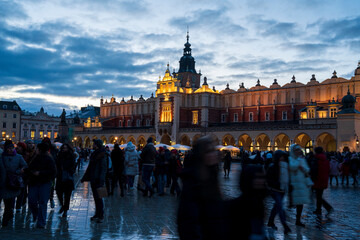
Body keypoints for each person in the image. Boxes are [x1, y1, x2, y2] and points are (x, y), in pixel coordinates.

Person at [178, 136, 226, 240]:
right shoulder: (192, 181)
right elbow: (188, 221)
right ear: (201, 155)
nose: (214, 154)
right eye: (209, 151)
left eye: (214, 150)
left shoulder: (212, 176)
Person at [227, 164, 267, 240]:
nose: (261, 181)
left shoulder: (259, 202)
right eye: (257, 177)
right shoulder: (237, 205)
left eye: (262, 177)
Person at [27, 142, 56, 228]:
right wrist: (26, 171)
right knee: (32, 201)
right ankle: (36, 215)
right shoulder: (34, 158)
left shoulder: (49, 159)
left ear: (40, 150)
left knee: (43, 202)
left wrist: (40, 173)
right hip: (34, 182)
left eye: (37, 148)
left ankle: (41, 222)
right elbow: (30, 168)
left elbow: (53, 172)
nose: (35, 150)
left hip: (45, 183)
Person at [1, 140, 27, 227]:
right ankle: (8, 215)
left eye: (12, 148)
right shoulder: (1, 157)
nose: (10, 150)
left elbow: (25, 166)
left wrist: (18, 171)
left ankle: (5, 221)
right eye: (8, 148)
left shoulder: (18, 157)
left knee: (9, 203)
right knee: (5, 202)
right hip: (2, 182)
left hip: (12, 182)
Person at [81, 139, 107, 223]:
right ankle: (97, 214)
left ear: (97, 145)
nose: (93, 145)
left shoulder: (102, 155)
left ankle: (101, 215)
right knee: (96, 198)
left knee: (100, 198)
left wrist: (101, 180)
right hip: (93, 178)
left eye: (94, 144)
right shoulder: (95, 154)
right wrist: (85, 177)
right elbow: (90, 167)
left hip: (99, 179)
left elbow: (103, 168)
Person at [266, 150, 291, 234]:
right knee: (280, 207)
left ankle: (270, 221)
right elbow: (269, 180)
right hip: (275, 190)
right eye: (281, 156)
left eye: (283, 157)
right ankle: (285, 225)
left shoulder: (286, 166)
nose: (282, 158)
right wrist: (278, 184)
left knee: (276, 207)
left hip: (282, 190)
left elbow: (288, 178)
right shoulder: (272, 166)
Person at [288, 144, 311, 227]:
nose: (299, 152)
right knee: (290, 203)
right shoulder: (290, 159)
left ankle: (298, 220)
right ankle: (281, 221)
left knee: (300, 203)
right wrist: (299, 164)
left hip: (300, 183)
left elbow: (307, 169)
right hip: (293, 184)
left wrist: (303, 168)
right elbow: (292, 167)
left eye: (299, 150)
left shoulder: (301, 159)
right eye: (297, 150)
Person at [55, 143, 76, 218]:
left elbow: (73, 166)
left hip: (68, 178)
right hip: (60, 177)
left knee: (67, 195)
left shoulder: (71, 156)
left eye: (66, 148)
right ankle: (62, 206)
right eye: (63, 148)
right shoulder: (59, 155)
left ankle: (65, 210)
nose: (64, 149)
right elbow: (56, 164)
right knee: (58, 192)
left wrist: (69, 170)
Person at [312, 147, 333, 216]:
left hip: (317, 180)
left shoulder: (316, 159)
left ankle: (328, 207)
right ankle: (318, 209)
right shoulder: (326, 159)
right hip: (324, 179)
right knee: (319, 195)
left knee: (318, 195)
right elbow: (329, 169)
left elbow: (314, 171)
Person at [15, 142, 27, 212]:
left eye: (19, 146)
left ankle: (19, 206)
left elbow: (25, 165)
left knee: (22, 191)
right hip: (15, 175)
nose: (18, 147)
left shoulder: (25, 155)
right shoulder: (15, 154)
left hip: (23, 175)